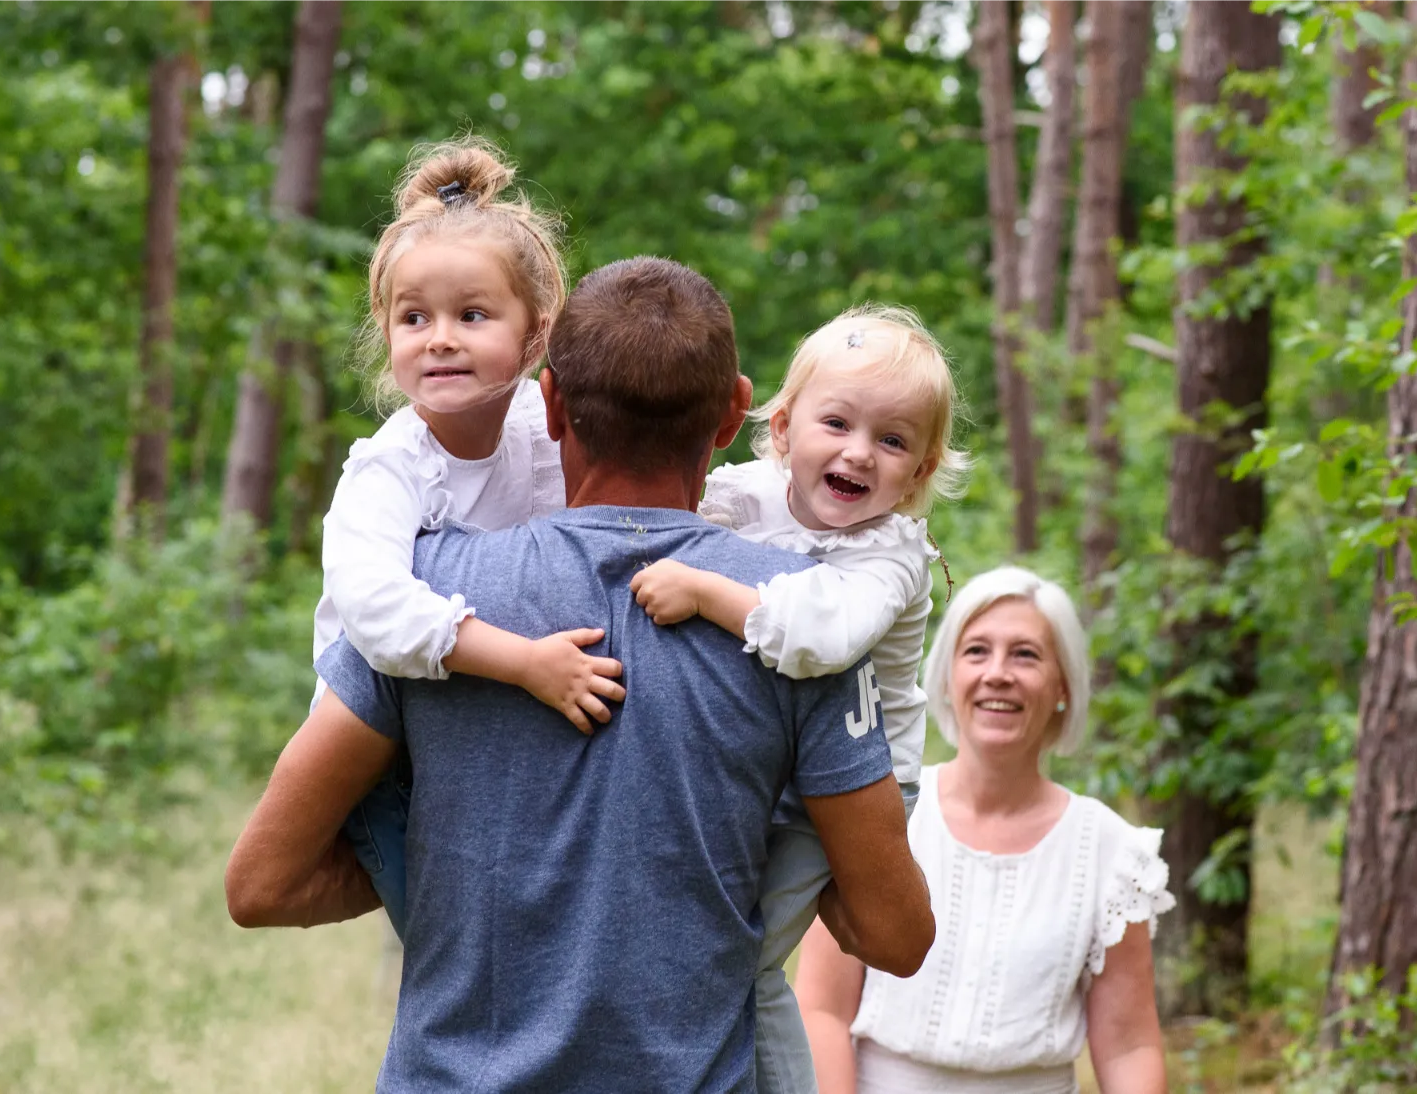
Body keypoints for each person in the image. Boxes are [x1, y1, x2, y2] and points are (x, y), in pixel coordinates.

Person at [224, 256, 936, 1093]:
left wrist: (466, 898)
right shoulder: (801, 618)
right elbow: (895, 936)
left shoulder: (431, 597)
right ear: (737, 413)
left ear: (551, 403)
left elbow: (263, 885)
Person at [629, 305, 968, 1094]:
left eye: (892, 441)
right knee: (706, 940)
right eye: (837, 423)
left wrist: (704, 590)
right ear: (781, 428)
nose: (858, 453)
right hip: (766, 767)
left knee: (743, 962)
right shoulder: (750, 495)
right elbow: (679, 517)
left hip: (851, 789)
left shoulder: (892, 557)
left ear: (919, 473)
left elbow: (823, 639)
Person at [310, 138, 624, 937]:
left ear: (534, 333)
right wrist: (525, 662)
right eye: (414, 318)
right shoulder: (388, 471)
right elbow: (376, 612)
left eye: (472, 315)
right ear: (386, 334)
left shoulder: (540, 432)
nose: (440, 338)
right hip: (388, 754)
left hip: (492, 734)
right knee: (468, 951)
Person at [795, 567, 1174, 1094]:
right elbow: (821, 1012)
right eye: (976, 651)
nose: (998, 673)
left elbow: (1131, 1047)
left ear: (1063, 686)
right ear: (947, 678)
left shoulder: (1113, 854)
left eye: (1026, 655)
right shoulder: (876, 816)